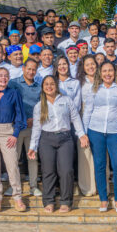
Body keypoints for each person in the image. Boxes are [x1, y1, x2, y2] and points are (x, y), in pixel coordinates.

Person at [29, 76, 88, 213]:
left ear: (56, 86)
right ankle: (49, 201)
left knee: (66, 170)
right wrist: (33, 147)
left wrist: (81, 134)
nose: (49, 86)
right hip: (46, 140)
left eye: (52, 84)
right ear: (42, 87)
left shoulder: (66, 100)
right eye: (46, 84)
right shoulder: (39, 106)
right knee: (48, 171)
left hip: (65, 139)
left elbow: (75, 118)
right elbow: (36, 128)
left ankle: (66, 201)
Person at [83, 61, 117, 213]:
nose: (107, 74)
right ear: (100, 73)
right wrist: (84, 133)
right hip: (95, 131)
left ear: (115, 72)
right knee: (99, 165)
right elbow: (87, 112)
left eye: (110, 70)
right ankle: (103, 199)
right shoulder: (94, 89)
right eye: (104, 71)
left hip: (116, 132)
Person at [0, 68, 28, 212]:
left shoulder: (14, 93)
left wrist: (15, 134)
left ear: (8, 78)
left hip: (7, 131)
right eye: (0, 76)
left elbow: (20, 115)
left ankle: (17, 196)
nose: (3, 78)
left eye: (6, 76)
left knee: (12, 164)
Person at [9, 59, 42, 196]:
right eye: (29, 69)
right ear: (23, 68)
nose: (31, 72)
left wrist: (35, 120)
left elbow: (42, 106)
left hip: (32, 127)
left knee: (32, 157)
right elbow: (9, 103)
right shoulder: (13, 83)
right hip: (16, 127)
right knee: (14, 158)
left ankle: (33, 186)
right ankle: (13, 186)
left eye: (34, 69)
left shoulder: (39, 87)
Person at [76, 54, 98, 196]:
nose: (91, 67)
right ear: (83, 68)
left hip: (100, 117)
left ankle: (101, 185)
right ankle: (87, 188)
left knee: (101, 155)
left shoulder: (103, 79)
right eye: (87, 64)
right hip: (83, 116)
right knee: (85, 153)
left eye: (93, 64)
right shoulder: (79, 83)